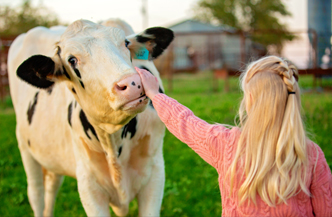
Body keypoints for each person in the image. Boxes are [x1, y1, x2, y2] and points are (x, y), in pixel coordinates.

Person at [136, 56, 332, 216]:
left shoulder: (227, 145)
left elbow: (184, 122)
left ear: (251, 101)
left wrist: (155, 94)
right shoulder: (311, 155)